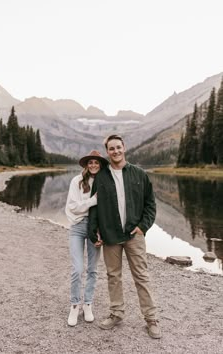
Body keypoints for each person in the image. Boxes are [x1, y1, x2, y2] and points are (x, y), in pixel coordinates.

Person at [88, 134, 161, 339]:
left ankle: (151, 319)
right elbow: (94, 207)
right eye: (111, 149)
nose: (116, 151)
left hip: (134, 235)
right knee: (113, 276)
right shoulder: (101, 177)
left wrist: (142, 227)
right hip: (110, 235)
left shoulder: (139, 174)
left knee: (141, 276)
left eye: (118, 147)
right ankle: (116, 313)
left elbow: (150, 205)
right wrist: (93, 232)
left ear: (124, 148)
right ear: (107, 152)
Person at [65, 150, 108, 326]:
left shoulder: (105, 182)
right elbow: (73, 207)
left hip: (96, 228)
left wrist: (102, 231)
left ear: (101, 164)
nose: (93, 165)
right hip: (77, 227)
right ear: (86, 164)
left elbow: (107, 209)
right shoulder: (77, 181)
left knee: (93, 269)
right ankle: (75, 305)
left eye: (96, 162)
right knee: (77, 269)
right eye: (90, 162)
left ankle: (88, 304)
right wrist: (92, 201)